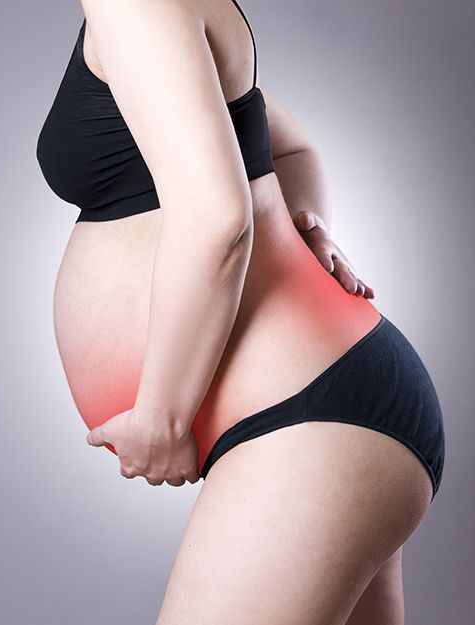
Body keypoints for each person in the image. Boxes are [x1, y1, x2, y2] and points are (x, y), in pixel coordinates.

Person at [36, 1, 445, 623]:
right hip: (324, 414)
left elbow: (218, 222)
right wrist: (310, 227)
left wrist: (162, 417)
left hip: (309, 421)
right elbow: (292, 147)